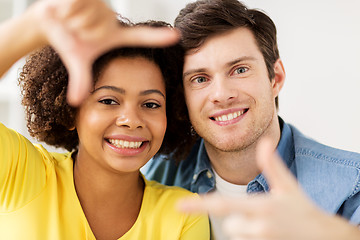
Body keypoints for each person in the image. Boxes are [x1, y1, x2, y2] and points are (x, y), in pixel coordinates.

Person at [143, 0, 360, 239]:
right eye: (200, 79)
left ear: (275, 78)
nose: (222, 95)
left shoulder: (352, 184)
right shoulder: (158, 173)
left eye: (239, 70)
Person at [0, 0, 210, 239]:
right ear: (70, 112)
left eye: (151, 104)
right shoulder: (23, 173)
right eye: (109, 101)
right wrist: (33, 25)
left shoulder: (184, 213)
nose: (131, 120)